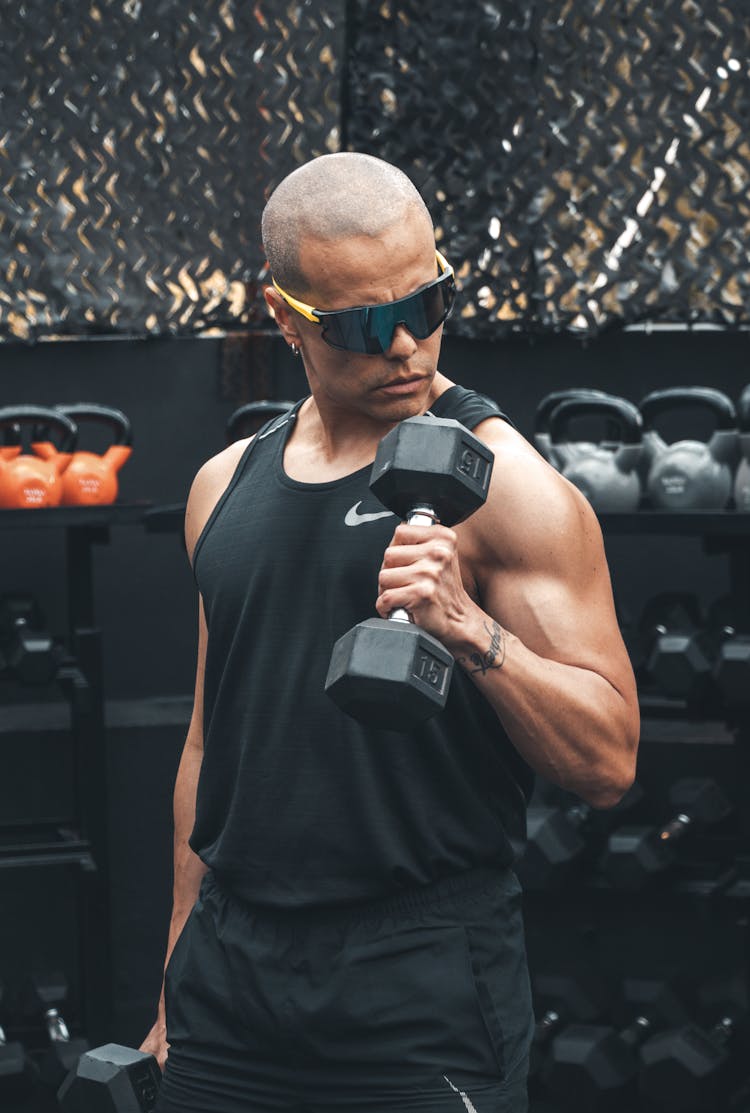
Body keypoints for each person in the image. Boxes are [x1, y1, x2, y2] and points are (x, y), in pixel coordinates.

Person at [142, 152, 640, 1113]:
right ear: (286, 317)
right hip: (231, 987)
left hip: (419, 983)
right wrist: (174, 970)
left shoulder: (515, 491)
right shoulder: (222, 488)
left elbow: (610, 758)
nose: (408, 344)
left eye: (430, 302)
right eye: (368, 324)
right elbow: (212, 746)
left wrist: (467, 627)